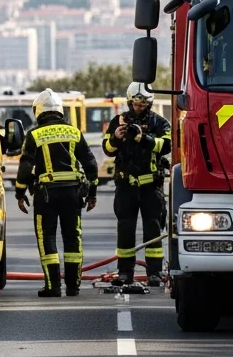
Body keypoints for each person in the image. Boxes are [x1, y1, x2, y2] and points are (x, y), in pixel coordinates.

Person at [14, 89, 99, 298]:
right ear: (60, 110)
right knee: (73, 238)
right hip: (73, 194)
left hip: (46, 196)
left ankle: (53, 287)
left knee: (47, 238)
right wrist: (92, 194)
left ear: (38, 111)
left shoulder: (34, 135)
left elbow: (25, 168)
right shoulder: (74, 132)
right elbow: (91, 164)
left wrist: (20, 193)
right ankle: (73, 286)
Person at [102, 82, 171, 287]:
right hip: (126, 186)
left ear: (149, 104)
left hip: (151, 186)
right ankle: (125, 272)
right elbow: (107, 149)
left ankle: (155, 273)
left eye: (142, 104)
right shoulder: (118, 121)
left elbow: (167, 145)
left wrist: (144, 138)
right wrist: (115, 138)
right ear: (129, 101)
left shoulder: (159, 122)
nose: (138, 107)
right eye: (135, 103)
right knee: (125, 229)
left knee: (153, 229)